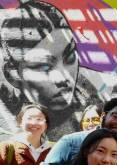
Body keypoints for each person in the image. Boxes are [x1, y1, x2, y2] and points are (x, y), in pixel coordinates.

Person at [0, 1, 101, 139]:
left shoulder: (92, 107)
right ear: (12, 75)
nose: (63, 77)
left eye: (70, 56)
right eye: (44, 66)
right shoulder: (8, 129)